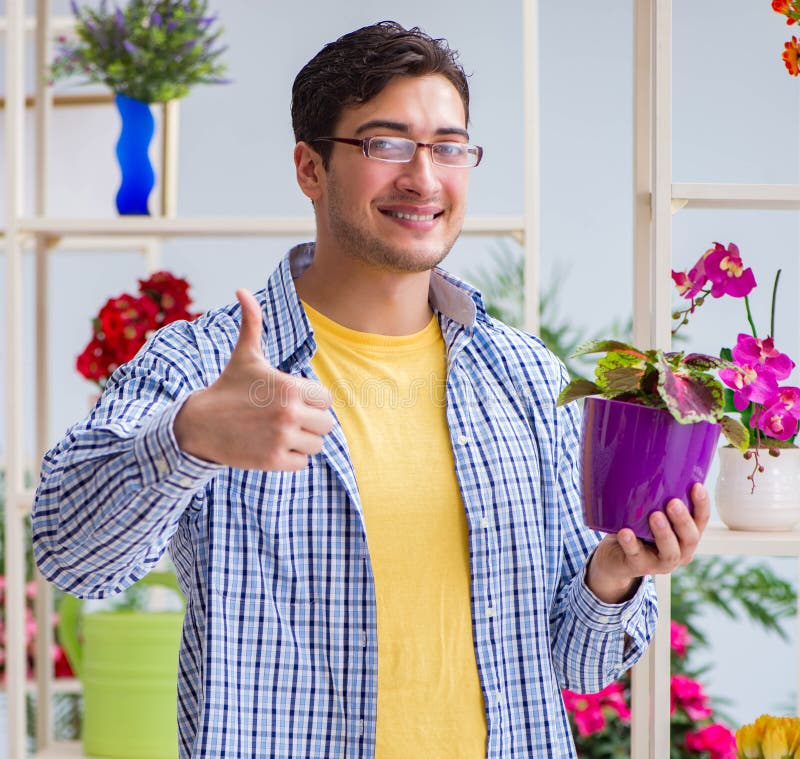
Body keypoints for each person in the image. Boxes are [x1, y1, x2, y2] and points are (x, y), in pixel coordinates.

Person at [32, 20, 710, 759]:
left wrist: (613, 576)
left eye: (448, 146)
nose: (423, 177)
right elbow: (72, 554)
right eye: (385, 144)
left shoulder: (527, 379)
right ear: (310, 168)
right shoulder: (205, 364)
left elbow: (580, 663)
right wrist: (187, 437)